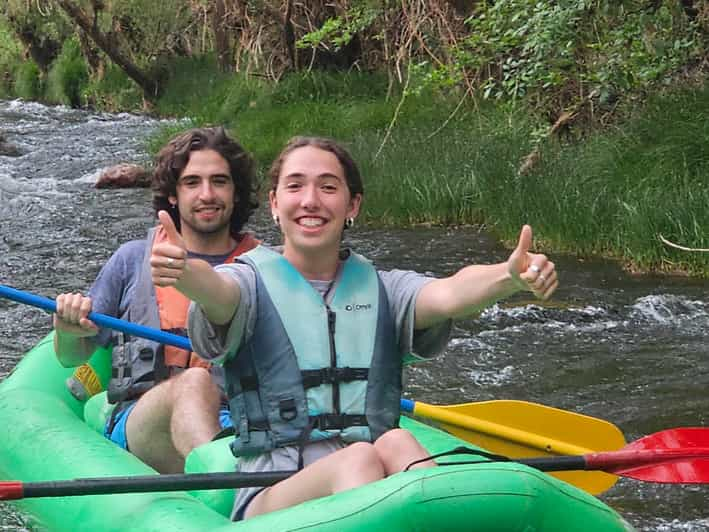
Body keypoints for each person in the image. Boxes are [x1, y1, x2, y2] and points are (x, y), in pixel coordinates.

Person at [150, 136, 558, 519]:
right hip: (272, 491)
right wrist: (185, 272)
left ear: (353, 205)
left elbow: (450, 292)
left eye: (328, 188)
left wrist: (508, 277)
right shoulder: (248, 283)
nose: (311, 201)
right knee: (360, 456)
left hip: (366, 472)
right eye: (295, 187)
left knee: (395, 441)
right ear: (275, 203)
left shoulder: (384, 288)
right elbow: (216, 291)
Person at [53, 126, 260, 474]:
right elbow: (70, 356)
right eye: (192, 182)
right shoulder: (132, 258)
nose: (207, 194)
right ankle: (226, 482)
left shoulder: (264, 267)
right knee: (194, 383)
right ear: (174, 195)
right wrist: (68, 330)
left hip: (244, 420)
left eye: (220, 181)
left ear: (236, 192)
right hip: (143, 418)